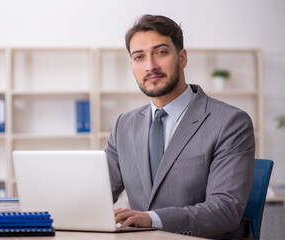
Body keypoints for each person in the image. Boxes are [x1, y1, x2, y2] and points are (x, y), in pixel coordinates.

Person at [105, 14, 255, 239]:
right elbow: (97, 192)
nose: (150, 66)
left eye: (161, 52)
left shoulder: (230, 122)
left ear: (182, 58)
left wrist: (152, 219)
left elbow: (226, 210)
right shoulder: (124, 125)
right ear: (132, 65)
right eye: (139, 57)